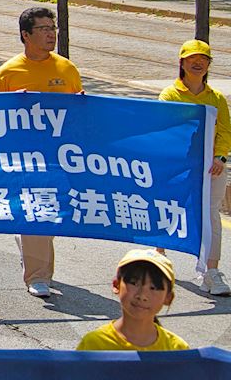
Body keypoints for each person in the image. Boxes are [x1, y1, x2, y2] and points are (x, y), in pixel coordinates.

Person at [0, 7, 83, 298]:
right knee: (38, 211)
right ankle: (38, 276)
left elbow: (80, 114)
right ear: (26, 35)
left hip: (59, 157)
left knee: (52, 215)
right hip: (25, 159)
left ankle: (29, 246)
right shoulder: (8, 73)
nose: (50, 34)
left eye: (52, 28)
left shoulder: (67, 69)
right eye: (43, 29)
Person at [159, 39, 230, 296]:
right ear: (182, 63)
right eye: (192, 59)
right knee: (168, 209)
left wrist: (220, 157)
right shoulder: (169, 95)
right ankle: (159, 257)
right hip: (179, 168)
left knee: (211, 216)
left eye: (203, 59)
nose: (198, 63)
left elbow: (225, 131)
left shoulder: (216, 98)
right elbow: (165, 130)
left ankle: (212, 271)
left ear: (209, 65)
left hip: (212, 169)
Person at [76, 250, 187, 351]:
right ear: (116, 285)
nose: (142, 295)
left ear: (168, 298)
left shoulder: (177, 349)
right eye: (134, 283)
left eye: (153, 288)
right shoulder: (94, 344)